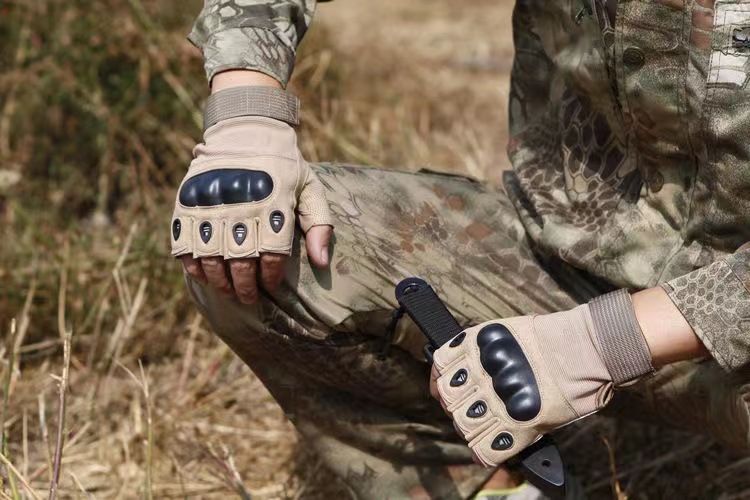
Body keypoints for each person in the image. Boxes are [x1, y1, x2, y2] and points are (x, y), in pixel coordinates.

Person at [171, 0, 750, 498]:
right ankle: (491, 485)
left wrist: (604, 342)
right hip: (560, 269)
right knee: (250, 240)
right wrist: (247, 116)